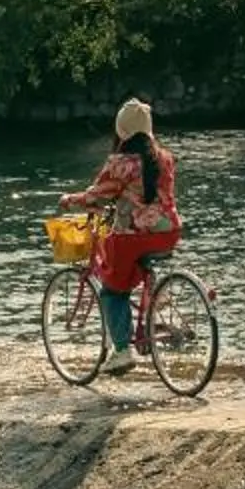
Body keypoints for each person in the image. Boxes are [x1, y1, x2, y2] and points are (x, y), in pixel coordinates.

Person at [60, 97, 180, 372]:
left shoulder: (120, 163)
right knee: (133, 269)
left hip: (133, 237)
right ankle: (149, 317)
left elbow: (98, 195)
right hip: (169, 231)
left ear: (121, 131)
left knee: (113, 291)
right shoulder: (164, 158)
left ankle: (123, 351)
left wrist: (71, 199)